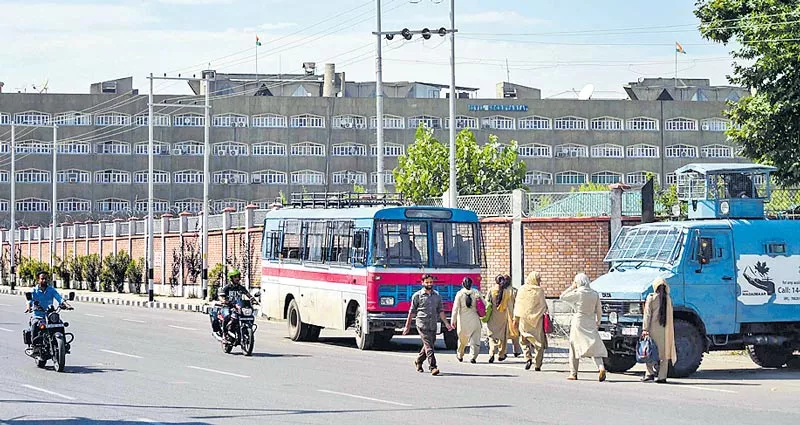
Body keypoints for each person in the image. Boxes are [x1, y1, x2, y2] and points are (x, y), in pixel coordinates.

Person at [560, 273, 608, 382]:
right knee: (594, 347)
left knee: (573, 347)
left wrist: (572, 287)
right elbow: (599, 310)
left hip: (578, 322)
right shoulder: (594, 294)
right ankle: (601, 368)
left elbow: (562, 297)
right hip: (590, 321)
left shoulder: (578, 293)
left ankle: (573, 373)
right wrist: (598, 320)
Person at [403, 274, 453, 376]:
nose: (429, 284)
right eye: (427, 282)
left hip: (433, 324)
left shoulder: (437, 296)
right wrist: (407, 326)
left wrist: (447, 323)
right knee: (429, 346)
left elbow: (441, 311)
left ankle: (419, 360)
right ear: (422, 283)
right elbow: (411, 312)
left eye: (431, 282)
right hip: (422, 323)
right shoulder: (417, 296)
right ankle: (433, 367)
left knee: (429, 344)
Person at [641, 277, 677, 383]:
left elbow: (647, 315)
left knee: (649, 351)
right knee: (664, 355)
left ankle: (649, 373)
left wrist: (645, 329)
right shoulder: (668, 299)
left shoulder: (651, 298)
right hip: (666, 331)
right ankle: (662, 376)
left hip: (653, 329)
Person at [25, 271, 72, 349]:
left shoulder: (51, 290)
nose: (44, 280)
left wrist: (67, 305)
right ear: (38, 279)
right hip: (38, 315)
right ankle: (34, 346)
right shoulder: (34, 290)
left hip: (50, 315)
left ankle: (64, 344)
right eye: (42, 279)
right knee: (34, 324)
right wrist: (28, 307)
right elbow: (29, 301)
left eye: (46, 279)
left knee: (60, 324)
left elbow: (59, 298)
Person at [513, 271, 548, 371]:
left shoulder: (522, 289)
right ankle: (538, 364)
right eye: (538, 279)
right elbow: (543, 306)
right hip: (537, 321)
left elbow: (518, 305)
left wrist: (516, 319)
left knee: (523, 340)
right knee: (538, 343)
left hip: (524, 320)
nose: (539, 281)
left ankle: (527, 357)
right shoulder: (539, 291)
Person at [214, 268, 255, 342]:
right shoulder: (227, 287)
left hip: (238, 307)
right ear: (231, 278)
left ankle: (244, 330)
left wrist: (252, 299)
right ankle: (224, 335)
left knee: (249, 316)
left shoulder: (241, 287)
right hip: (228, 306)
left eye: (238, 277)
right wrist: (223, 300)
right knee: (226, 316)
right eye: (235, 277)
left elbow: (248, 294)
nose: (237, 278)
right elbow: (221, 296)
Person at [450, 277, 484, 363]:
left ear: (462, 284)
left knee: (462, 340)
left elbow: (455, 308)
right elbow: (484, 304)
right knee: (475, 339)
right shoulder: (476, 293)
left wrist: (453, 320)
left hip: (463, 320)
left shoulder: (459, 294)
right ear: (472, 284)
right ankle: (473, 357)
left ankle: (460, 354)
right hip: (475, 319)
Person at [487, 275, 515, 363]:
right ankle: (501, 354)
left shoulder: (491, 290)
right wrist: (512, 316)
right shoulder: (507, 292)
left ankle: (492, 352)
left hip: (492, 316)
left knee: (492, 336)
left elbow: (487, 303)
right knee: (503, 338)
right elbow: (509, 306)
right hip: (503, 317)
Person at [507, 274, 523, 358]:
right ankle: (516, 350)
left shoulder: (501, 291)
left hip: (503, 316)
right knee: (515, 333)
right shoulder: (514, 291)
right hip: (514, 314)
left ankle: (503, 351)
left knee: (504, 334)